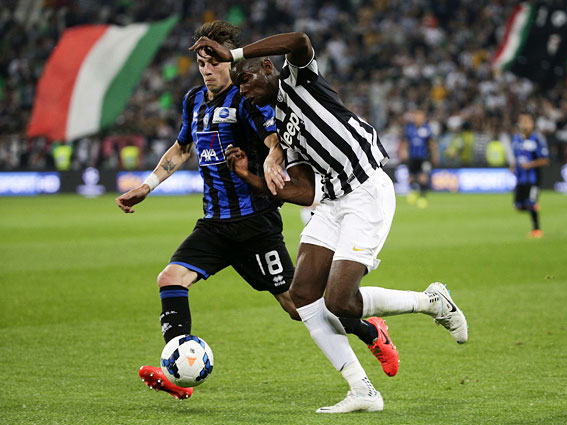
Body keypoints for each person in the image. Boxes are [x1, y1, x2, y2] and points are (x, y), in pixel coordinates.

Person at [116, 21, 398, 401]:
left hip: (255, 224)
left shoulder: (248, 99)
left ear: (229, 62)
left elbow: (277, 137)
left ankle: (370, 330)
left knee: (298, 306)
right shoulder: (194, 101)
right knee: (170, 279)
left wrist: (271, 158)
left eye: (214, 62)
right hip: (215, 224)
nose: (207, 70)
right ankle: (177, 369)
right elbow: (182, 148)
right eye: (201, 63)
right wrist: (147, 186)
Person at [191, 31, 468, 413]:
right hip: (332, 201)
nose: (244, 91)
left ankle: (431, 302)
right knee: (303, 293)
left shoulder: (298, 80)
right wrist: (250, 176)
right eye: (238, 86)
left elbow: (298, 40)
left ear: (268, 67)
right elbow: (305, 191)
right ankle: (362, 390)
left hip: (366, 191)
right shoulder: (283, 127)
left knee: (339, 301)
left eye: (246, 80)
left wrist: (233, 54)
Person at [510, 112, 550, 238]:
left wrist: (530, 164)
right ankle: (533, 207)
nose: (524, 125)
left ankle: (536, 230)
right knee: (518, 206)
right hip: (520, 179)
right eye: (522, 122)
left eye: (527, 121)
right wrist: (513, 166)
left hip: (534, 178)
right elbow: (517, 157)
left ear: (532, 124)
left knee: (531, 202)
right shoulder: (516, 139)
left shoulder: (537, 139)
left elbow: (545, 160)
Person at [401, 110, 438, 208]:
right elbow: (405, 141)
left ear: (423, 118)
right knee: (411, 177)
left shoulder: (427, 128)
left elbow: (431, 143)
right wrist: (403, 151)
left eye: (420, 116)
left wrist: (434, 154)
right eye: (416, 116)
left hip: (423, 157)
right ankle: (413, 193)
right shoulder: (409, 128)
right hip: (412, 156)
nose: (418, 118)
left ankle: (422, 197)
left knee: (423, 176)